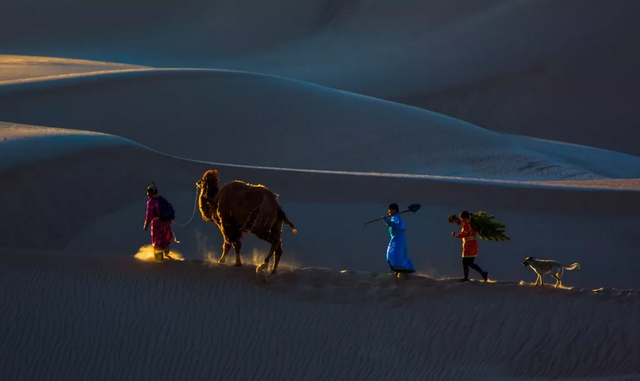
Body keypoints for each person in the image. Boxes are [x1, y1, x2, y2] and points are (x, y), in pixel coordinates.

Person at [450, 211, 488, 282]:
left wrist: (455, 234)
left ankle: (467, 277)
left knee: (465, 262)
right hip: (473, 245)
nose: (461, 220)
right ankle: (482, 273)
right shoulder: (472, 223)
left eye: (462, 218)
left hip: (468, 246)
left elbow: (463, 235)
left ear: (464, 218)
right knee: (470, 263)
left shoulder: (466, 225)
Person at [383, 203, 416, 279]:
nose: (389, 212)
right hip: (397, 239)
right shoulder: (395, 217)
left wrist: (387, 221)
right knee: (394, 253)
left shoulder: (396, 217)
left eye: (390, 210)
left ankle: (400, 271)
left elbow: (395, 225)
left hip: (398, 239)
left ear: (394, 210)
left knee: (395, 253)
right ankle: (398, 271)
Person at [143, 182, 174, 261]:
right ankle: (166, 249)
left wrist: (146, 225)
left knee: (157, 239)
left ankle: (159, 258)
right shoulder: (163, 199)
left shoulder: (151, 202)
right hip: (166, 222)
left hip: (157, 222)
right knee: (164, 236)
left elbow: (149, 215)